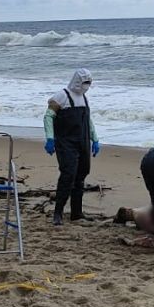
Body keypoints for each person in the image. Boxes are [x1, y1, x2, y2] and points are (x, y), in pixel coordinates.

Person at [43, 68, 100, 225]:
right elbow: (48, 117)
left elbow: (88, 120)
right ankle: (58, 213)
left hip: (83, 142)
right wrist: (50, 138)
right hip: (66, 142)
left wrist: (95, 139)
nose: (86, 86)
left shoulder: (84, 98)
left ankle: (76, 213)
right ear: (77, 81)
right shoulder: (61, 96)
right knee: (68, 175)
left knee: (81, 175)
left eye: (89, 83)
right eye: (84, 82)